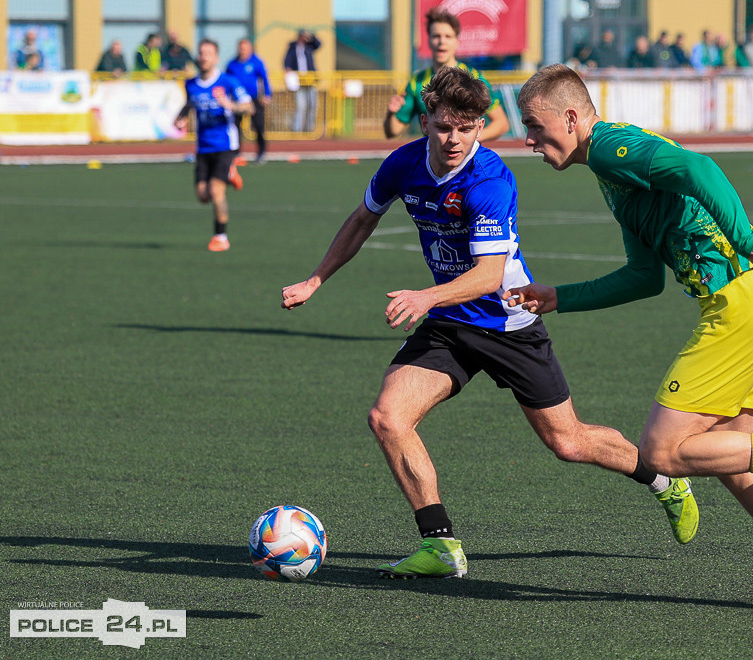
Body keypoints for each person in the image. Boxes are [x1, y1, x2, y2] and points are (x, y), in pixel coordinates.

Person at [281, 66, 699, 579]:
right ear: (425, 121)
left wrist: (425, 295)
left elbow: (489, 274)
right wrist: (316, 279)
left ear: (481, 126)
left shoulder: (490, 180)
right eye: (443, 126)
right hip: (449, 321)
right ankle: (440, 546)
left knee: (567, 442)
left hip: (508, 320)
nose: (454, 139)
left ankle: (661, 479)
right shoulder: (403, 164)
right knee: (388, 417)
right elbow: (363, 218)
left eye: (467, 127)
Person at [510, 64, 753, 611]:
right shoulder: (611, 176)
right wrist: (561, 295)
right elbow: (643, 277)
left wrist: (746, 239)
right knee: (731, 461)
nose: (527, 139)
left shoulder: (610, 147)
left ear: (572, 117)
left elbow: (699, 167)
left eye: (533, 124)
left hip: (741, 303)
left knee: (662, 451)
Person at [173, 39, 253, 252]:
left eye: (208, 53)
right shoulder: (191, 83)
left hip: (225, 145)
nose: (203, 57)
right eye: (201, 53)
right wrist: (180, 118)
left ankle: (221, 237)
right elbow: (190, 103)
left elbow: (249, 107)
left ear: (216, 58)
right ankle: (230, 175)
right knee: (203, 195)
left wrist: (230, 105)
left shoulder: (227, 82)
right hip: (203, 147)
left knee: (217, 192)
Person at [383, 8, 509, 142]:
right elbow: (393, 131)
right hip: (433, 159)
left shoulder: (473, 78)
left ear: (457, 41)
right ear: (429, 40)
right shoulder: (417, 81)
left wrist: (466, 139)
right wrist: (391, 113)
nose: (441, 41)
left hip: (465, 158)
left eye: (448, 36)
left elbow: (501, 124)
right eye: (436, 36)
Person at [226, 38, 273, 162]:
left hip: (254, 99)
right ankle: (236, 153)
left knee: (258, 126)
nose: (243, 51)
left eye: (245, 48)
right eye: (241, 48)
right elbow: (226, 81)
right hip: (238, 101)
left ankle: (261, 153)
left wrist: (266, 95)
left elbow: (265, 79)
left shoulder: (256, 62)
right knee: (235, 127)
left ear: (250, 49)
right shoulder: (232, 64)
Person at [283, 29, 321, 132]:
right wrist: (288, 70)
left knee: (313, 105)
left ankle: (309, 129)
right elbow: (287, 62)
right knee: (301, 106)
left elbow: (318, 44)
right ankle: (297, 129)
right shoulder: (293, 48)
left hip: (311, 80)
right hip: (298, 81)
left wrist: (311, 36)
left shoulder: (309, 46)